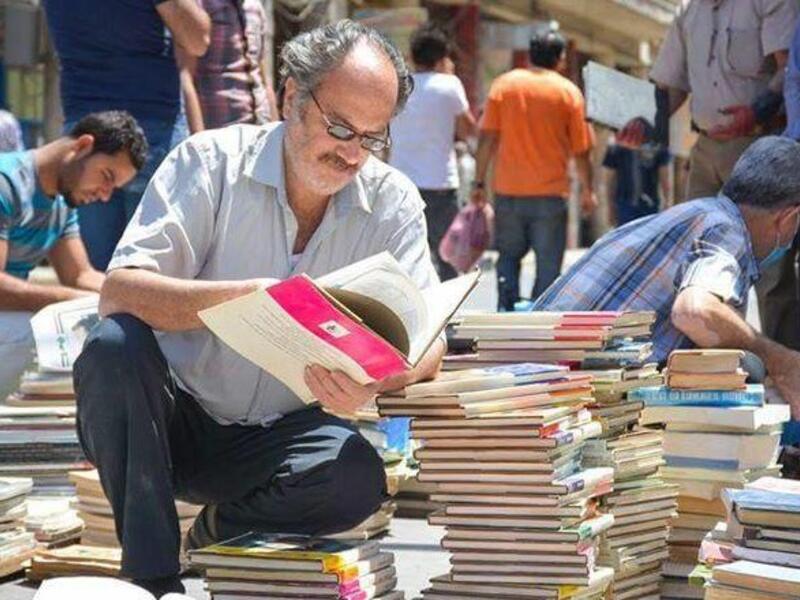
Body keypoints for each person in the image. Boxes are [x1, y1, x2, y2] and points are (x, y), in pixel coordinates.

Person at [74, 21, 444, 597]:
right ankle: (151, 576)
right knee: (113, 348)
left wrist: (382, 378)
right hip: (173, 421)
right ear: (291, 96)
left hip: (281, 435)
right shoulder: (209, 163)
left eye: (372, 138)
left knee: (355, 476)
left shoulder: (392, 201)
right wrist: (232, 301)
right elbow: (119, 292)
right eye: (340, 127)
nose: (351, 154)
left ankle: (219, 534)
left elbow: (431, 342)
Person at [534, 136, 800, 417]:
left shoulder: (693, 214)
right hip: (552, 395)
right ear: (788, 217)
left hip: (521, 374)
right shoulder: (729, 231)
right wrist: (782, 364)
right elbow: (695, 312)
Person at [41, 0, 211, 270]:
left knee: (94, 277)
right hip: (149, 128)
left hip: (85, 136)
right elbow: (198, 39)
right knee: (155, 272)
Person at [0, 111, 146, 397]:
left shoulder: (62, 200)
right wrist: (80, 301)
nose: (105, 196)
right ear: (82, 146)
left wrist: (142, 296)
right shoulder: (6, 184)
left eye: (113, 188)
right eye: (106, 176)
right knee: (52, 336)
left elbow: (80, 275)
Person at [619, 0, 797, 201]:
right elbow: (671, 86)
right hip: (704, 152)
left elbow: (790, 70)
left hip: (757, 147)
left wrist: (756, 113)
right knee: (698, 230)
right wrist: (642, 125)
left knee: (750, 230)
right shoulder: (688, 11)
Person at [471, 29, 596, 311]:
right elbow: (582, 150)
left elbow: (486, 139)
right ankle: (539, 324)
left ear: (531, 55)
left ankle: (505, 316)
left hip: (508, 192)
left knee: (508, 260)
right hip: (550, 196)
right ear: (560, 59)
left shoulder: (504, 85)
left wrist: (478, 184)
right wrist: (588, 191)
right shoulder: (568, 92)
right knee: (548, 270)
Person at [389, 24, 475, 281]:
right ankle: (448, 312)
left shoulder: (398, 85)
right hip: (440, 184)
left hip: (401, 183)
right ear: (442, 58)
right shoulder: (450, 85)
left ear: (413, 56)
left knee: (404, 256)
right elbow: (468, 128)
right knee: (446, 256)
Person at [183, 0, 278, 131]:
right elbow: (186, 77)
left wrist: (274, 129)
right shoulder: (200, 7)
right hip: (219, 130)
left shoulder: (254, 7)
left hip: (260, 126)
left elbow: (262, 78)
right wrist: (197, 137)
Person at [603, 141, 671, 227]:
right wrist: (610, 207)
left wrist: (667, 201)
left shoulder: (659, 146)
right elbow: (610, 178)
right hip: (626, 204)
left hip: (647, 205)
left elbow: (664, 175)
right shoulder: (616, 146)